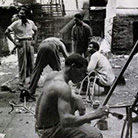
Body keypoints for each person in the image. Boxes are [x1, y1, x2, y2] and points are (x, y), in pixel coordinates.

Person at [35, 53, 109, 138]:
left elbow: (62, 91)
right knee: (95, 134)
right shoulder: (62, 87)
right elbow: (66, 121)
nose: (83, 76)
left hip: (41, 127)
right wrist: (95, 114)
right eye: (82, 72)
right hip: (49, 131)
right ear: (73, 67)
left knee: (72, 101)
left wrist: (76, 97)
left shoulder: (54, 74)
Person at [5, 6, 38, 88]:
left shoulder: (31, 23)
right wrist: (14, 43)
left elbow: (36, 31)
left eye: (22, 13)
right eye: (20, 13)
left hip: (30, 43)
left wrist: (35, 40)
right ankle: (21, 82)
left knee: (31, 63)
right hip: (21, 43)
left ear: (26, 15)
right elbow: (7, 32)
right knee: (23, 63)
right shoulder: (16, 23)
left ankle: (32, 81)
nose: (20, 15)